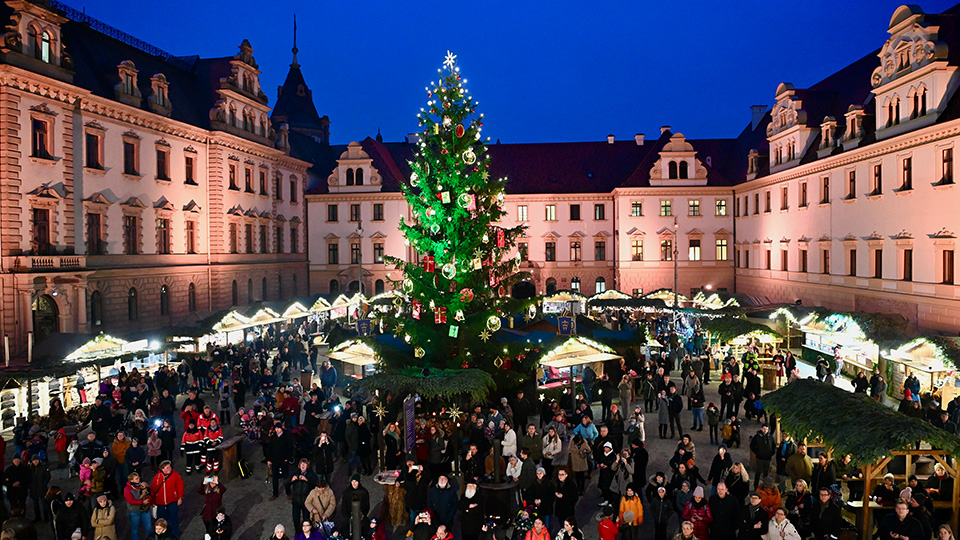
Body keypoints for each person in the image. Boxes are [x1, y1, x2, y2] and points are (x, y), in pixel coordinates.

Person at [149, 460, 184, 539]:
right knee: (162, 521)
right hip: (160, 503)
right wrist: (153, 501)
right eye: (167, 467)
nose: (169, 468)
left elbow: (180, 487)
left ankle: (175, 536)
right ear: (162, 469)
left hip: (172, 501)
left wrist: (180, 497)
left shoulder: (175, 475)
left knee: (174, 519)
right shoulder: (157, 478)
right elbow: (153, 490)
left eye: (169, 466)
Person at [289, 459, 319, 527]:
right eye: (301, 464)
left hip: (306, 501)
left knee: (306, 519)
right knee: (296, 519)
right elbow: (286, 483)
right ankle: (298, 533)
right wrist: (291, 480)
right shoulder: (295, 473)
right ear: (299, 466)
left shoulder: (311, 474)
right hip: (296, 501)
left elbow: (316, 484)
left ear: (307, 466)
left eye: (304, 464)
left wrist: (307, 480)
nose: (303, 465)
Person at [124, 471, 153, 540]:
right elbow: (131, 501)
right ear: (131, 480)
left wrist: (148, 497)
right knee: (135, 529)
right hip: (134, 511)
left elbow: (150, 494)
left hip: (145, 509)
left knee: (149, 527)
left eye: (138, 478)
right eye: (136, 479)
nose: (138, 480)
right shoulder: (127, 489)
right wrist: (142, 502)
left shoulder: (142, 485)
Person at [28, 455, 50, 523]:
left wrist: (44, 484)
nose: (35, 461)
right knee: (35, 505)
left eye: (36, 460)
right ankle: (38, 517)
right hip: (33, 489)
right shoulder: (29, 468)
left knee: (44, 504)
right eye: (34, 460)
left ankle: (46, 517)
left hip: (42, 489)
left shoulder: (43, 467)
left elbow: (48, 477)